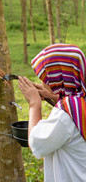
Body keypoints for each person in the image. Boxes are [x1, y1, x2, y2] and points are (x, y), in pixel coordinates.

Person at [18, 43, 86, 182]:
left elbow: (35, 143)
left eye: (46, 79)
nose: (43, 83)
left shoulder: (64, 115)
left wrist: (34, 104)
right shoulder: (80, 101)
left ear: (58, 79)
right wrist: (53, 97)